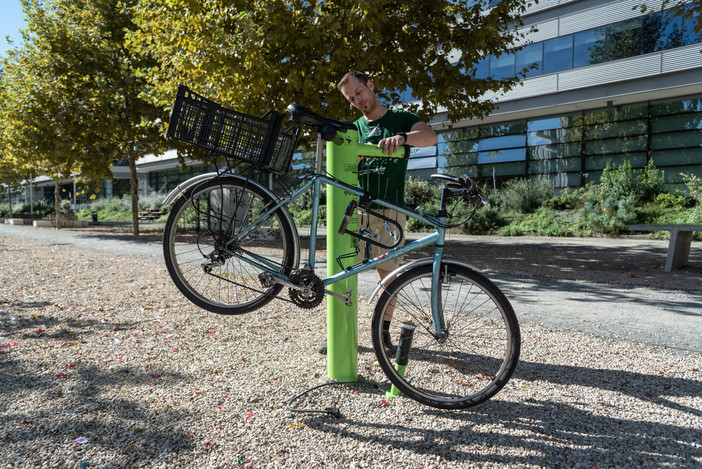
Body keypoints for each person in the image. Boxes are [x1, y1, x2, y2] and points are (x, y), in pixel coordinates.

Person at [333, 71, 438, 354]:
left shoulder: (400, 118)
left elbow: (431, 137)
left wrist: (403, 138)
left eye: (358, 92)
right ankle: (339, 333)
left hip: (390, 213)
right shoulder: (353, 129)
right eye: (351, 98)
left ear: (370, 85)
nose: (357, 100)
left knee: (389, 277)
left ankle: (383, 334)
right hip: (355, 211)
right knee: (341, 273)